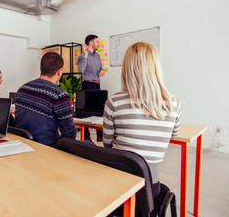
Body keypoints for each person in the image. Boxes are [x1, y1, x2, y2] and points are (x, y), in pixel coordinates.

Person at [103, 42, 181, 198]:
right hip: (149, 190)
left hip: (116, 186)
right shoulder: (174, 104)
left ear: (126, 70)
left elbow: (107, 143)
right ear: (156, 68)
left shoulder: (114, 102)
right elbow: (173, 136)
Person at [14, 52, 77, 147]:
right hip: (46, 149)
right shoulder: (60, 95)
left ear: (40, 69)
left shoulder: (22, 89)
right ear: (59, 71)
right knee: (88, 144)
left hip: (22, 145)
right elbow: (70, 135)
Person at [77, 34, 105, 142]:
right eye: (97, 41)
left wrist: (101, 71)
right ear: (91, 43)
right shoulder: (82, 55)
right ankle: (86, 136)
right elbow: (81, 69)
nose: (98, 43)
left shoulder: (97, 56)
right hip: (88, 85)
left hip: (97, 84)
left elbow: (101, 68)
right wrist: (85, 55)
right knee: (87, 112)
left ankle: (99, 135)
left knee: (99, 110)